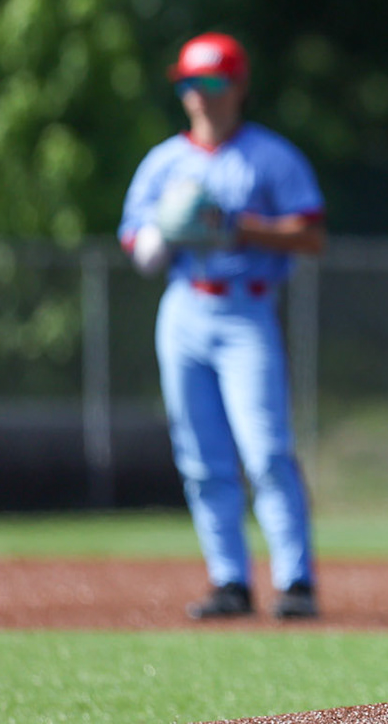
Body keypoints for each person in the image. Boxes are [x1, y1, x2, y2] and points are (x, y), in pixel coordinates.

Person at [119, 32, 327, 620]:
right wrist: (164, 236)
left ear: (238, 87)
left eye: (210, 84)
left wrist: (240, 228)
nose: (199, 96)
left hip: (246, 307)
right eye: (189, 84)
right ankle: (230, 581)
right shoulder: (164, 162)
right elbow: (137, 244)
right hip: (184, 308)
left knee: (265, 451)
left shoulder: (271, 157)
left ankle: (297, 582)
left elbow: (311, 236)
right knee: (201, 457)